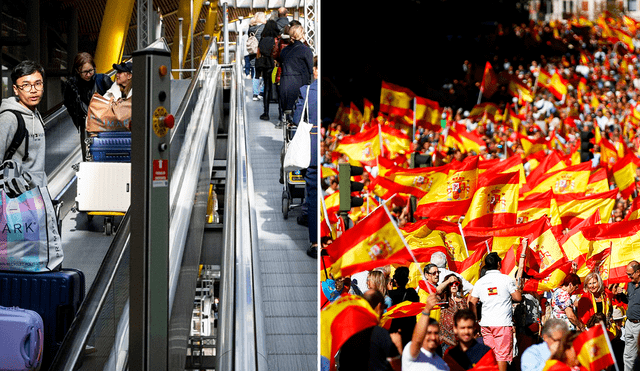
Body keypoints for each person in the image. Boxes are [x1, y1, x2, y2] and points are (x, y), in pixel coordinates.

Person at [468, 252, 522, 371]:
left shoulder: (480, 282)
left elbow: (471, 301)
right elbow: (518, 298)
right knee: (502, 356)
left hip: (486, 324)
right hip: (502, 323)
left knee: (490, 355)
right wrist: (518, 288)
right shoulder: (506, 279)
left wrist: (475, 321)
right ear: (499, 263)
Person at [0, 60, 47, 187]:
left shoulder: (36, 114)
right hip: (17, 198)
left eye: (38, 84)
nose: (33, 90)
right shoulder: (9, 118)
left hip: (38, 192)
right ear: (15, 89)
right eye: (26, 85)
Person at [290, 55, 318, 258]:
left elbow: (297, 118)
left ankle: (316, 243)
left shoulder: (307, 91)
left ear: (315, 70)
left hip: (313, 149)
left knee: (314, 192)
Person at [63, 52, 114, 161]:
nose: (88, 74)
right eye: (84, 72)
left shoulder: (103, 80)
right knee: (88, 157)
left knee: (107, 156)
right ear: (77, 71)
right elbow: (69, 104)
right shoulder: (72, 85)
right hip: (86, 125)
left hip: (105, 125)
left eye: (91, 71)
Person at [337, 289, 403, 371]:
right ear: (379, 306)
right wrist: (398, 345)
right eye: (384, 307)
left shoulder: (348, 332)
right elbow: (397, 367)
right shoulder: (381, 334)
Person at [402, 293, 449, 370]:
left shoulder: (442, 364)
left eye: (436, 333)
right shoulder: (412, 354)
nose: (433, 337)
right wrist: (427, 310)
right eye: (429, 333)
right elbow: (417, 341)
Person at [277, 24, 313, 127]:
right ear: (302, 35)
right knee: (301, 118)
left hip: (285, 87)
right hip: (300, 88)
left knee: (288, 118)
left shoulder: (284, 51)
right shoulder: (305, 50)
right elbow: (311, 69)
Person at [389, 266, 421, 348]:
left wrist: (390, 290)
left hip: (396, 328)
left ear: (395, 280)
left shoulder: (391, 294)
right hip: (410, 327)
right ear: (407, 280)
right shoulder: (412, 293)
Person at [439, 274, 469, 353]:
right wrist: (448, 281)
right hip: (446, 341)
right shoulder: (443, 299)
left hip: (461, 340)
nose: (454, 285)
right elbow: (437, 291)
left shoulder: (463, 300)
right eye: (451, 284)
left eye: (456, 283)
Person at [256, 20, 279, 121]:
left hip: (265, 66)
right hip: (275, 66)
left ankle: (266, 113)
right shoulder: (276, 40)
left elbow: (259, 53)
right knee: (278, 88)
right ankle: (280, 113)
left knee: (267, 88)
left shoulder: (262, 39)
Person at [624, 260, 640, 371]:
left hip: (639, 325)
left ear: (638, 272)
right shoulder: (630, 285)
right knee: (628, 355)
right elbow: (630, 301)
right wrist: (620, 295)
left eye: (630, 274)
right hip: (629, 323)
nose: (629, 277)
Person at [248, 12, 267, 101]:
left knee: (255, 74)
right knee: (265, 74)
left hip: (253, 54)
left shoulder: (251, 28)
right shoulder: (264, 28)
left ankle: (255, 94)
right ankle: (261, 92)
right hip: (262, 54)